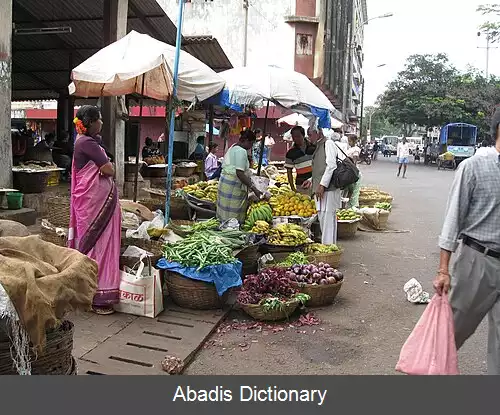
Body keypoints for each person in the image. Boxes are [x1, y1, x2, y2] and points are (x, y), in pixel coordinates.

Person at [433, 111, 500, 375]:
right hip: (476, 262)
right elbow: (453, 220)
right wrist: (443, 269)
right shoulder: (473, 167)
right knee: (452, 333)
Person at [68, 105, 121, 315]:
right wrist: (110, 166)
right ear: (90, 122)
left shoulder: (84, 142)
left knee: (92, 245)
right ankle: (98, 295)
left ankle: (87, 292)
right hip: (94, 205)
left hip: (90, 204)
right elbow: (108, 169)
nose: (102, 123)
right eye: (99, 119)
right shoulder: (87, 143)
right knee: (99, 247)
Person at [303, 130, 341, 245]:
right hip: (321, 189)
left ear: (318, 132)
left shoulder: (328, 144)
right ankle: (328, 247)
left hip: (328, 189)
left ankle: (328, 248)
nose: (308, 137)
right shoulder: (319, 145)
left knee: (327, 219)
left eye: (310, 134)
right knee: (323, 219)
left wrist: (322, 185)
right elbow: (321, 169)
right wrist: (311, 180)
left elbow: (331, 166)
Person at [217, 130, 262, 224]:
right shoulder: (241, 151)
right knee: (233, 211)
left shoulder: (233, 147)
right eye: (251, 143)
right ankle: (232, 229)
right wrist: (254, 188)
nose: (251, 146)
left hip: (225, 182)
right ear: (246, 140)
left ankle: (224, 227)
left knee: (225, 210)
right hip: (233, 185)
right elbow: (240, 173)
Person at [284, 126, 315, 194]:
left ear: (303, 135)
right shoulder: (290, 153)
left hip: (315, 182)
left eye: (298, 136)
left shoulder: (314, 147)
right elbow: (289, 171)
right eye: (293, 137)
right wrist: (292, 187)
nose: (296, 139)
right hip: (301, 185)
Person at [344, 138, 362, 209]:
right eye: (349, 141)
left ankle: (354, 206)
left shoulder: (355, 150)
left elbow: (354, 161)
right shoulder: (349, 149)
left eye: (350, 141)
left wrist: (352, 172)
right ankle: (350, 206)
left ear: (354, 141)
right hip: (349, 171)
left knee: (354, 191)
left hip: (353, 172)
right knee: (350, 190)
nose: (349, 142)